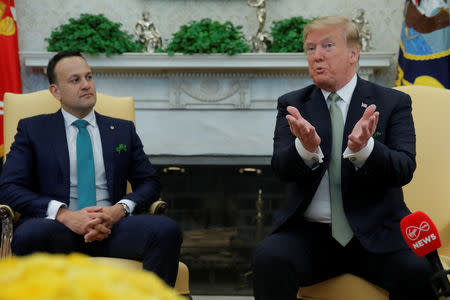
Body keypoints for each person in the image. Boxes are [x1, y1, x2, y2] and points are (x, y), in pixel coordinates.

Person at [252, 16, 437, 300]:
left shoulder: (392, 102)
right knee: (268, 258)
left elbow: (404, 168)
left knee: (416, 271)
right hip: (310, 236)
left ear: (353, 54)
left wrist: (366, 149)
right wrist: (306, 148)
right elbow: (281, 170)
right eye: (311, 48)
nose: (317, 56)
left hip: (377, 234)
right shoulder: (293, 104)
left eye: (327, 45)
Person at [0, 50, 182, 287]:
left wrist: (119, 210)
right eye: (75, 80)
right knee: (30, 235)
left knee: (166, 230)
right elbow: (9, 186)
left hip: (113, 227)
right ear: (55, 91)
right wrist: (64, 215)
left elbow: (149, 182)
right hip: (57, 228)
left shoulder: (122, 129)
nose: (87, 85)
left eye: (89, 77)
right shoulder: (33, 130)